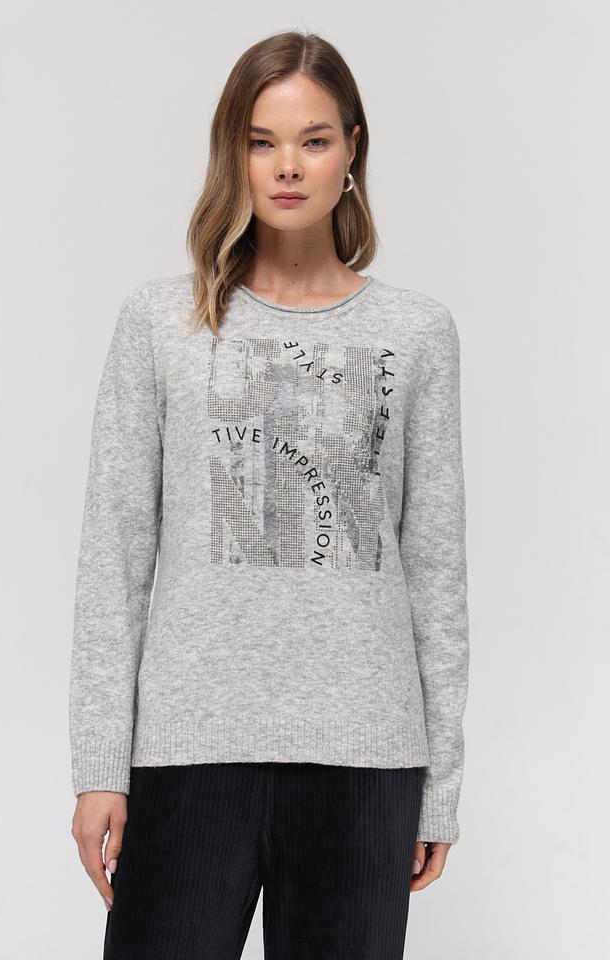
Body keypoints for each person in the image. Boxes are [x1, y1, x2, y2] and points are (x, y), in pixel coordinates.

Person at [69, 29, 470, 960]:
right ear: (233, 154)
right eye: (261, 141)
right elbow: (113, 557)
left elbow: (436, 572)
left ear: (352, 149)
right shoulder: (161, 323)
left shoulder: (417, 333)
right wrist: (99, 766)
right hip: (188, 748)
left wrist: (440, 788)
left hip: (365, 756)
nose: (287, 166)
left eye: (313, 139)